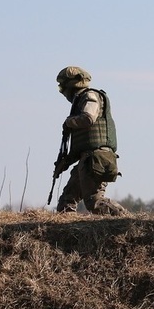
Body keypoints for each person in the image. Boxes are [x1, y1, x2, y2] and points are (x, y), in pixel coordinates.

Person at [54, 66, 128, 216]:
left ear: (71, 86)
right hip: (87, 159)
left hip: (95, 160)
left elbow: (88, 118)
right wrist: (66, 162)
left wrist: (70, 122)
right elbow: (83, 144)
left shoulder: (90, 96)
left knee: (94, 202)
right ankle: (69, 234)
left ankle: (126, 220)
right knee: (66, 202)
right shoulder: (80, 102)